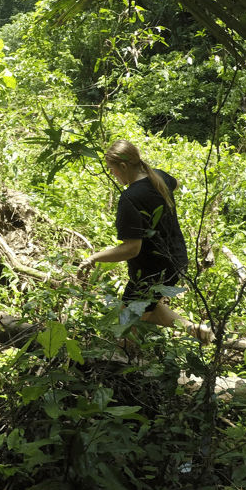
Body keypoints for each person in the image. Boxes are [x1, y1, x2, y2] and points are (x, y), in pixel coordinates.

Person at [78, 139, 212, 343]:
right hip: (176, 260)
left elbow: (131, 249)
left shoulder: (130, 198)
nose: (112, 174)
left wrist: (94, 258)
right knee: (149, 307)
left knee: (125, 328)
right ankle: (195, 329)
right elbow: (175, 183)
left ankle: (125, 369)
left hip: (152, 270)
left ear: (123, 166)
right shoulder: (160, 177)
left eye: (112, 169)